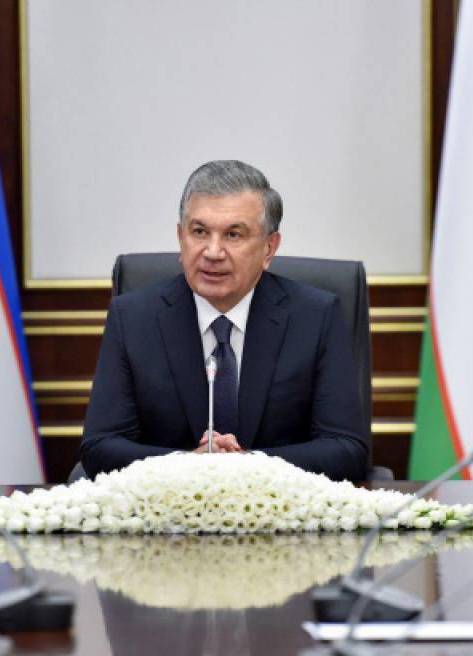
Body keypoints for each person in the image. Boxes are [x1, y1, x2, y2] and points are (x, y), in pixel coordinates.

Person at [80, 160, 368, 481]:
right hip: (169, 506)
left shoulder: (315, 317)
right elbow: (99, 446)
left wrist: (247, 465)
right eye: (199, 232)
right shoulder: (133, 317)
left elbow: (347, 449)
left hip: (277, 506)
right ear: (180, 237)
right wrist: (187, 464)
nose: (213, 252)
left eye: (233, 234)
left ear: (269, 248)